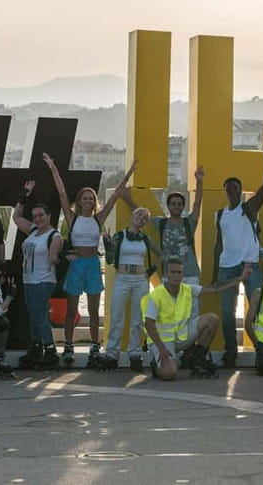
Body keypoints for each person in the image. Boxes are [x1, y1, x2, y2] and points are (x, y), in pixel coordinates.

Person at [43, 153, 137, 368]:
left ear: (94, 202)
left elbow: (115, 197)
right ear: (79, 201)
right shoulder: (72, 218)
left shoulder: (98, 219)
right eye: (84, 198)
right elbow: (61, 193)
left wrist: (130, 172)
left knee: (94, 311)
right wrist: (53, 168)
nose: (87, 201)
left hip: (93, 265)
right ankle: (68, 346)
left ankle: (95, 345)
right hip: (77, 266)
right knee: (71, 310)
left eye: (91, 198)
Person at [213, 141, 263, 368]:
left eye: (236, 187)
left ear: (240, 191)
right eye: (229, 187)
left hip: (249, 266)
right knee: (227, 312)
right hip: (227, 269)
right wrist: (215, 274)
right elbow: (218, 245)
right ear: (226, 191)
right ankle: (231, 351)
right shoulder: (220, 215)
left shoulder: (248, 208)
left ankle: (262, 349)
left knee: (257, 308)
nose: (233, 190)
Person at [143, 258, 251, 381]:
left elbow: (215, 288)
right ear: (166, 274)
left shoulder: (187, 289)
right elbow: (149, 324)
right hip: (163, 341)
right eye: (173, 272)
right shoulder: (156, 295)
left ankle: (196, 357)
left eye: (179, 272)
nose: (176, 276)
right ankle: (156, 366)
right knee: (170, 374)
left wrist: (240, 279)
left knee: (212, 319)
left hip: (182, 335)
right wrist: (161, 349)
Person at [100, 207, 162, 372]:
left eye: (145, 217)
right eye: (139, 214)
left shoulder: (145, 239)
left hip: (140, 280)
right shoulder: (119, 236)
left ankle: (135, 353)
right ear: (132, 216)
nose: (141, 218)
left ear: (145, 222)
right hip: (122, 278)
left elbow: (162, 254)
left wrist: (151, 270)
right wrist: (107, 245)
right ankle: (112, 354)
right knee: (117, 316)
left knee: (137, 319)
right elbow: (110, 260)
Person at [123, 166, 204, 286]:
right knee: (168, 305)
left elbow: (197, 203)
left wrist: (199, 182)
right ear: (168, 206)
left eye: (179, 204)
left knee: (191, 305)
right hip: (168, 275)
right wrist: (127, 198)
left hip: (190, 275)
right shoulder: (161, 223)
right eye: (173, 204)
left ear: (183, 206)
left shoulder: (189, 223)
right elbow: (141, 214)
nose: (176, 206)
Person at [12, 181, 64, 370]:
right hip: (29, 280)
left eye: (41, 215)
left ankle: (50, 350)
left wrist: (62, 257)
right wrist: (23, 196)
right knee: (33, 315)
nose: (38, 219)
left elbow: (54, 257)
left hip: (44, 280)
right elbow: (16, 217)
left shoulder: (54, 236)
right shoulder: (33, 231)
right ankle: (36, 347)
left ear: (49, 216)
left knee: (38, 315)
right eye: (35, 216)